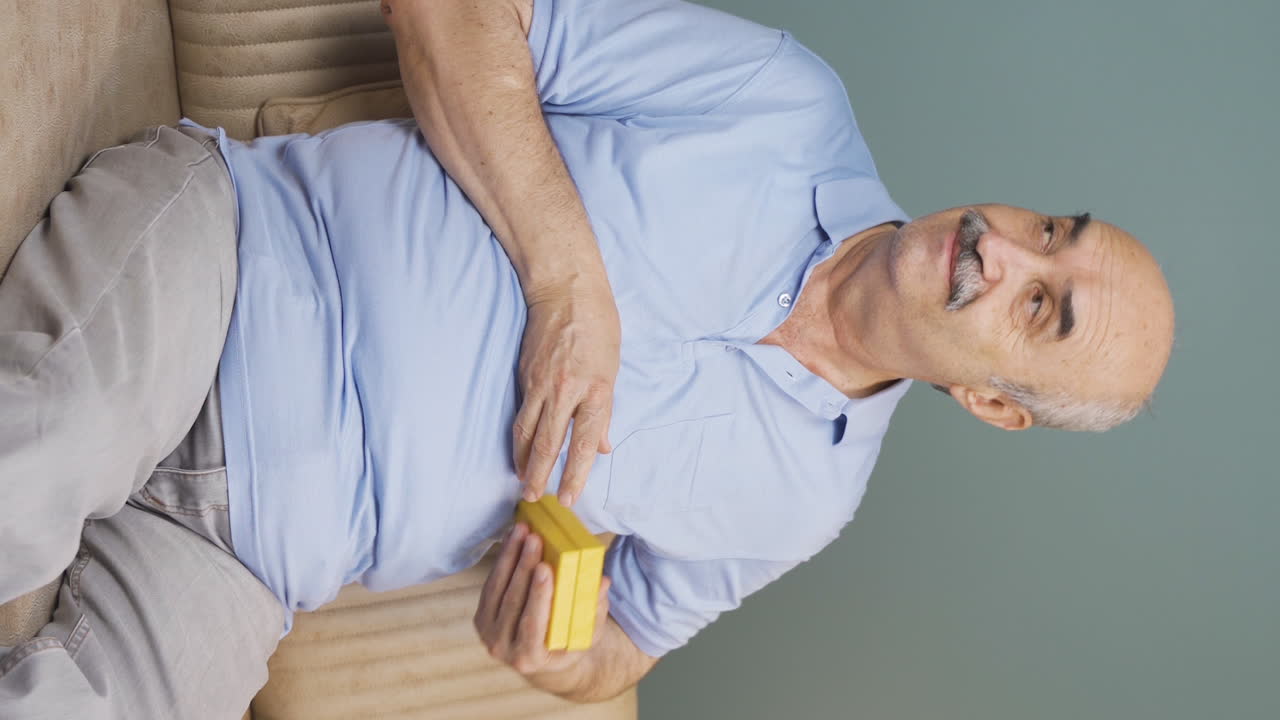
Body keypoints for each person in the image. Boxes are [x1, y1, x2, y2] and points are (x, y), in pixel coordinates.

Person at [0, 0, 1174, 716]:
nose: (1001, 250)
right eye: (1050, 229)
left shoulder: (808, 498)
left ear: (988, 403)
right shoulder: (782, 101)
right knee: (22, 474)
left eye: (1040, 306)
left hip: (248, 556)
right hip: (231, 267)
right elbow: (449, 12)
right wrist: (568, 281)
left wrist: (554, 656)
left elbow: (624, 649)